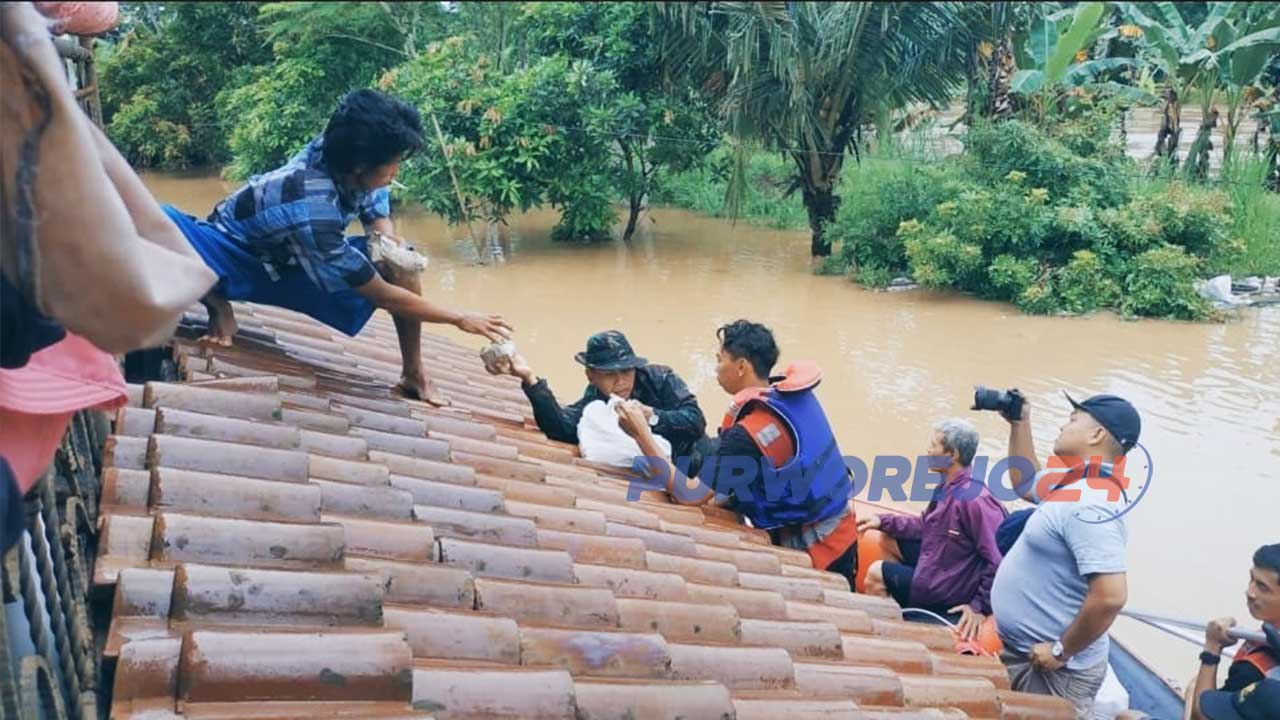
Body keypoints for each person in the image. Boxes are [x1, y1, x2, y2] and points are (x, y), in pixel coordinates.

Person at [161, 89, 510, 406]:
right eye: (393, 164)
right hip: (233, 251)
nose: (396, 171)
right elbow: (383, 295)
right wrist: (459, 318)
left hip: (289, 258)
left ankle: (413, 374)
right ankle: (217, 300)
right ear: (360, 167)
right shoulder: (314, 206)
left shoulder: (343, 149)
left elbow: (376, 207)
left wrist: (385, 240)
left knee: (400, 266)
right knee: (157, 219)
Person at [613, 320, 859, 581]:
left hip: (818, 546)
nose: (716, 368)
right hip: (842, 525)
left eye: (720, 360)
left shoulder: (749, 432)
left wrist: (641, 434)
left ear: (741, 366)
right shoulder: (789, 398)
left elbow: (689, 494)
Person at [991, 392, 1141, 720]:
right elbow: (1025, 482)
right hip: (1027, 652)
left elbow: (1111, 596)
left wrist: (1061, 651)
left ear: (1096, 434)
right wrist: (1019, 423)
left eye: (1073, 420)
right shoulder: (1078, 481)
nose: (1063, 426)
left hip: (1055, 671)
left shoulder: (1092, 503)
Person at [858, 418, 1005, 641]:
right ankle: (907, 603)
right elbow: (924, 526)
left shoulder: (974, 500)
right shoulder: (947, 486)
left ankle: (888, 636)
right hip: (944, 561)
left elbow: (998, 557)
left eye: (934, 445)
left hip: (953, 584)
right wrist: (883, 521)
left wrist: (978, 606)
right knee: (888, 538)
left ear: (952, 455)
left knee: (875, 573)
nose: (928, 450)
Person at [501, 331, 707, 466]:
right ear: (591, 376)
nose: (620, 381)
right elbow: (562, 427)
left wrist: (652, 416)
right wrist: (530, 380)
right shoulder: (597, 398)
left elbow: (696, 422)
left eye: (626, 371)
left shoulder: (660, 379)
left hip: (694, 461)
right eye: (609, 374)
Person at [1188, 544, 1280, 720]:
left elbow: (1201, 716)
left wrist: (1212, 649)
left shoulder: (1253, 670)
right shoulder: (1265, 637)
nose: (1250, 592)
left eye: (1262, 587)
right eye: (1252, 579)